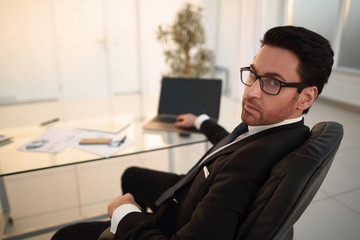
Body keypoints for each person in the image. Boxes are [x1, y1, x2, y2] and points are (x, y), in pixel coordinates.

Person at [52, 25, 334, 240]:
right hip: (191, 192)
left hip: (178, 217)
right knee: (132, 175)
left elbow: (240, 162)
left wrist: (126, 214)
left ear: (306, 97)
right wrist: (201, 122)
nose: (252, 92)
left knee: (66, 236)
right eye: (253, 74)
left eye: (273, 82)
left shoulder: (248, 168)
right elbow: (233, 141)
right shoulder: (277, 131)